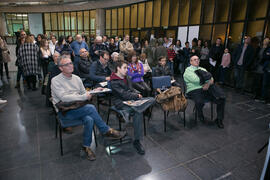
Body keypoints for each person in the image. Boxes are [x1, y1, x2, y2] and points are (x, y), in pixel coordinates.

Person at [51, 55, 126, 161]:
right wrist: (83, 96)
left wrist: (94, 91)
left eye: (71, 63)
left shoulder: (76, 78)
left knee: (89, 119)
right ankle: (106, 130)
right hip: (65, 112)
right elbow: (64, 97)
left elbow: (83, 93)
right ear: (60, 68)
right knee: (90, 108)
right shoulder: (56, 80)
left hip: (78, 108)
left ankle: (86, 147)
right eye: (66, 64)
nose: (71, 66)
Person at [110, 60, 155, 155]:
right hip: (121, 103)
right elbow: (123, 95)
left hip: (131, 101)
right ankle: (137, 141)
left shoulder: (127, 78)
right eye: (125, 68)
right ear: (118, 68)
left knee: (152, 99)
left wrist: (136, 93)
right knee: (138, 112)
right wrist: (135, 96)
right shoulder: (113, 81)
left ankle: (134, 109)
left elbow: (131, 90)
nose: (127, 70)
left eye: (127, 68)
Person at [183, 55, 225, 128]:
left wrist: (208, 84)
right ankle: (199, 113)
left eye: (198, 59)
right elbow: (197, 80)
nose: (197, 60)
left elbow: (212, 79)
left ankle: (219, 119)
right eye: (194, 59)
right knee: (199, 101)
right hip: (194, 90)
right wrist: (207, 78)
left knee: (221, 98)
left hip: (207, 88)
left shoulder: (202, 69)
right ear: (191, 62)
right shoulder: (188, 70)